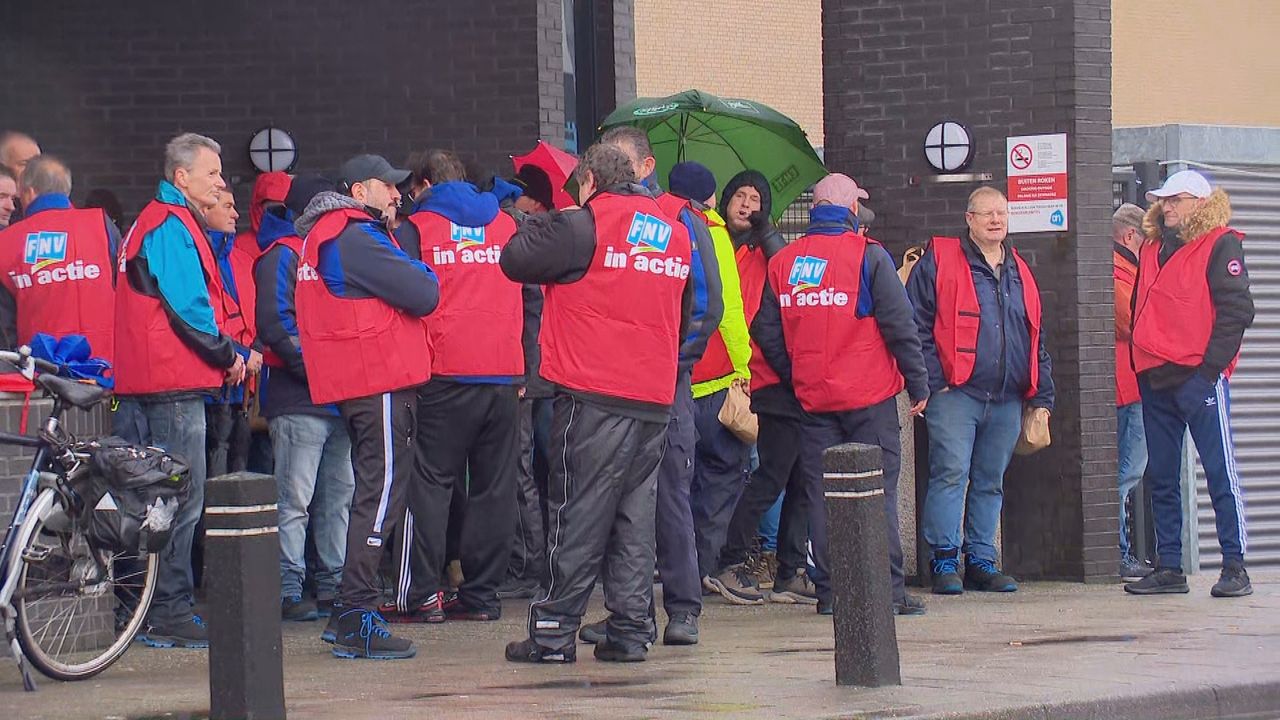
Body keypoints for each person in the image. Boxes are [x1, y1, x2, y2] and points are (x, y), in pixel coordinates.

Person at [500, 142, 693, 664]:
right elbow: (689, 306)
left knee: (576, 512)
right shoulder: (675, 234)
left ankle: (552, 633)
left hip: (592, 392)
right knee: (634, 516)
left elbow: (513, 260)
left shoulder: (586, 224)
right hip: (653, 396)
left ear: (589, 181)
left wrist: (555, 220)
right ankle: (631, 629)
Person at [752, 173, 930, 616]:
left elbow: (765, 330)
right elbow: (900, 325)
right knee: (877, 493)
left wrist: (797, 373)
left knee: (822, 496)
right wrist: (919, 384)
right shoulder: (869, 257)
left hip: (813, 401)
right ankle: (886, 591)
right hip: (869, 398)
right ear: (852, 211)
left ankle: (831, 591)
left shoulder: (786, 262)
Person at [293, 154, 439, 659]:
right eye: (389, 186)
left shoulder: (330, 234)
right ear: (358, 190)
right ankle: (357, 612)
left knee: (368, 490)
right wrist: (413, 261)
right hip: (377, 378)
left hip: (361, 378)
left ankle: (346, 612)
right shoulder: (354, 235)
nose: (398, 194)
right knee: (379, 495)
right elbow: (423, 290)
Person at [585, 128, 721, 648]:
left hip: (664, 383)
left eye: (620, 162)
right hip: (617, 385)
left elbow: (707, 307)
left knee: (668, 498)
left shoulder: (678, 217)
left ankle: (683, 609)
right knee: (620, 501)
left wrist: (669, 361)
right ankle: (630, 610)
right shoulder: (602, 218)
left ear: (646, 167)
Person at [115, 133, 247, 648]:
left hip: (147, 379)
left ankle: (146, 605)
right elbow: (188, 307)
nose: (221, 182)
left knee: (151, 498)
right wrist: (227, 353)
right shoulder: (170, 224)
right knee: (178, 500)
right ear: (181, 178)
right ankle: (168, 608)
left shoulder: (154, 221)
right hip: (171, 383)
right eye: (212, 173)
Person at [384, 149, 521, 622]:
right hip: (503, 373)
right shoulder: (506, 226)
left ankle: (421, 594)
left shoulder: (417, 229)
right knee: (493, 488)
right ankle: (482, 597)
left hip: (442, 372)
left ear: (422, 185)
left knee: (429, 484)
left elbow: (399, 296)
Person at [906, 186, 1054, 595]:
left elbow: (1034, 335)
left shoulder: (1019, 269)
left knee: (990, 479)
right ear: (969, 219)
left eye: (1001, 214)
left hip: (1006, 397)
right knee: (950, 474)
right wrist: (931, 382)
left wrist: (1041, 394)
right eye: (987, 213)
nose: (995, 220)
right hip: (956, 394)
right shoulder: (940, 259)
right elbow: (914, 323)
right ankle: (943, 561)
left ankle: (982, 560)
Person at [1124, 170, 1254, 598]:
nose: (1168, 207)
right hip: (1154, 377)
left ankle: (1235, 566)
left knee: (1219, 473)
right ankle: (1170, 566)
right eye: (1164, 200)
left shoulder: (1220, 243)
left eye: (1177, 200)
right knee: (1160, 476)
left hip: (1198, 378)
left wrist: (1208, 374)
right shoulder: (1151, 246)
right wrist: (1140, 366)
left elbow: (1236, 313)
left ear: (1200, 203)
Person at [708, 170, 814, 606]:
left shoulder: (766, 250)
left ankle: (787, 567)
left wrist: (766, 232)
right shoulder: (711, 241)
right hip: (741, 372)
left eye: (756, 197)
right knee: (764, 475)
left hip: (765, 374)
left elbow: (787, 273)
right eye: (740, 195)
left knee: (798, 476)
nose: (747, 204)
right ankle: (728, 560)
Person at [253, 175, 356, 623]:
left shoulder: (315, 252)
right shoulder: (283, 255)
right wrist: (325, 373)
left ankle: (331, 583)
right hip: (303, 396)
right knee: (296, 497)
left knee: (337, 495)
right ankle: (289, 586)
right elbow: (275, 324)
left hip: (336, 397)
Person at [495, 163, 555, 599]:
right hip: (531, 369)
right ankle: (529, 562)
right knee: (523, 467)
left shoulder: (518, 240)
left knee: (519, 469)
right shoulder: (541, 236)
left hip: (522, 372)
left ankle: (529, 565)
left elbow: (524, 311)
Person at [0, 155, 118, 359]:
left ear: (29, 192)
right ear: (67, 189)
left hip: (41, 379)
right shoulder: (103, 225)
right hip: (105, 373)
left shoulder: (6, 241)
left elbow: (5, 330)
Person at [204, 190, 261, 477]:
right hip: (209, 386)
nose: (235, 214)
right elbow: (202, 321)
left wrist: (251, 357)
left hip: (243, 387)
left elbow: (255, 319)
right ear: (205, 211)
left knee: (239, 466)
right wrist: (238, 355)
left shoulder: (242, 260)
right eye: (227, 206)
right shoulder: (196, 260)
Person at [1112, 203, 1149, 582]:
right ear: (1130, 236)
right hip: (1129, 387)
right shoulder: (1119, 272)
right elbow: (1133, 321)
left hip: (1132, 385)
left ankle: (1120, 552)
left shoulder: (1127, 271)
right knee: (1127, 471)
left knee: (1128, 471)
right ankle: (1118, 553)